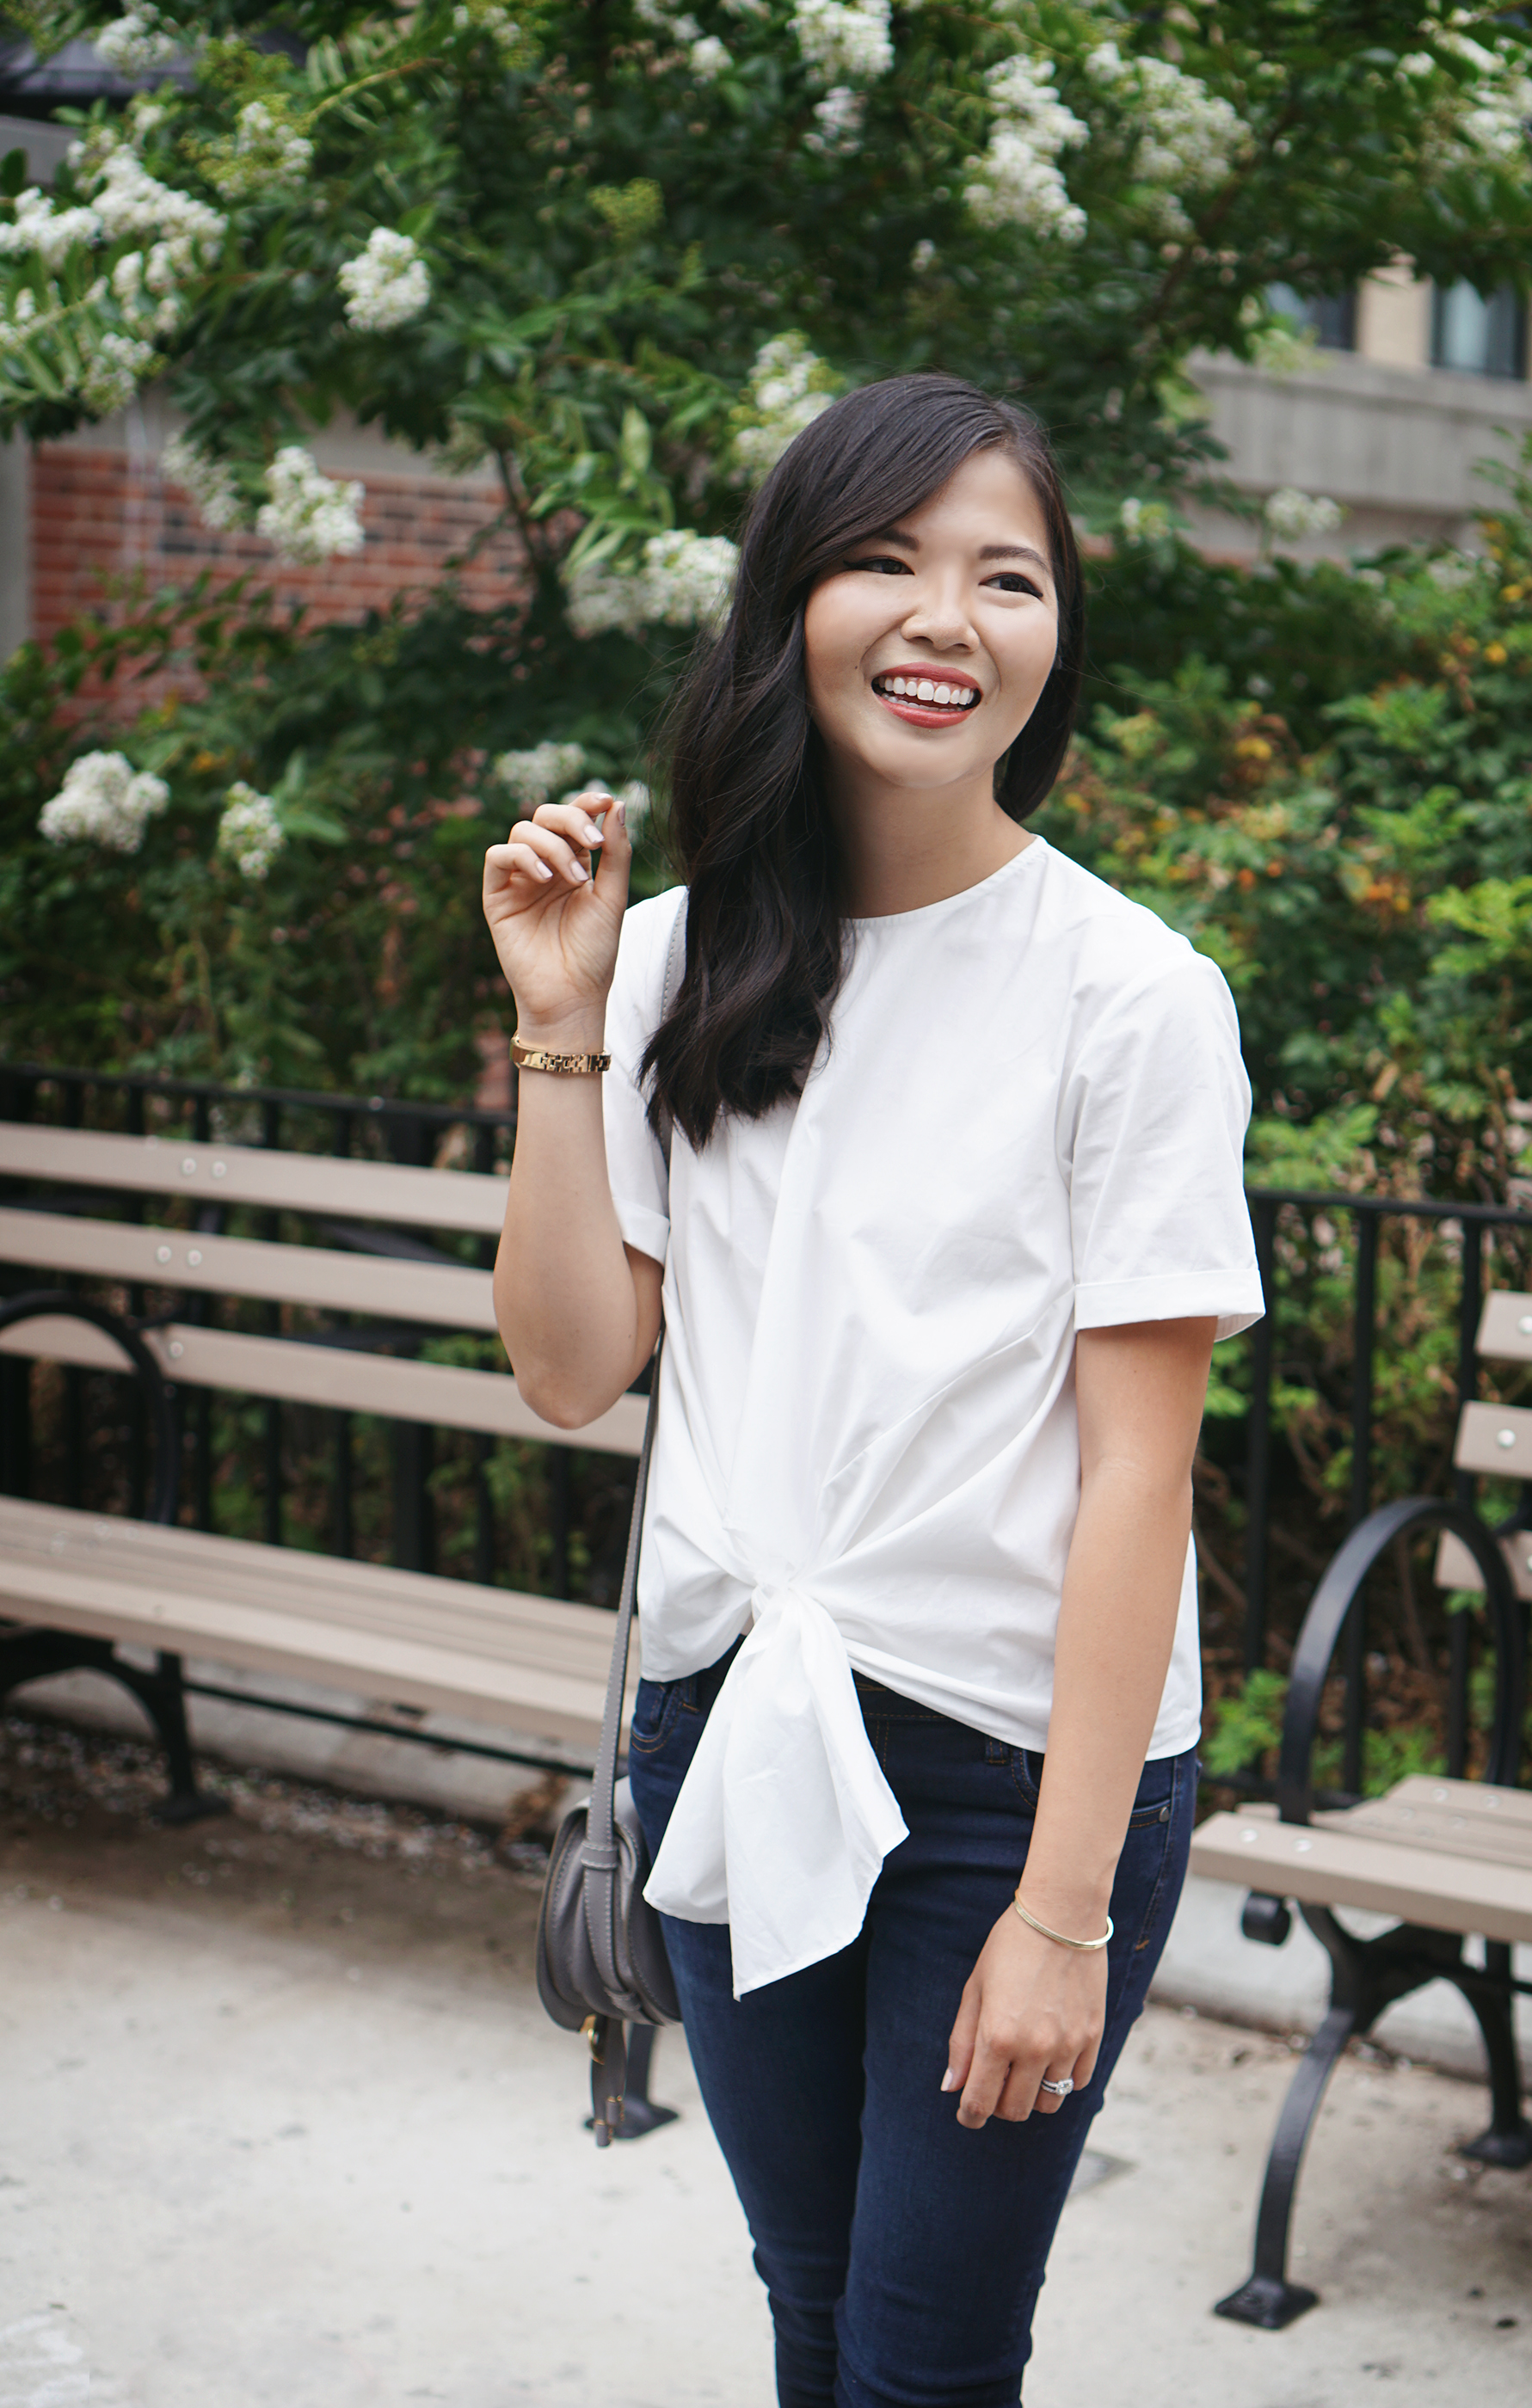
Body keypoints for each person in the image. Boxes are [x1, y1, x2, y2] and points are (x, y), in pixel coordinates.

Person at [483, 373, 1262, 2407]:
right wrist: (556, 1030)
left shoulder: (1130, 996)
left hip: (1011, 1775)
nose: (945, 618)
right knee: (807, 2301)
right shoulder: (666, 961)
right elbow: (573, 1368)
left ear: (1053, 640)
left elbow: (1137, 1484)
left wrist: (1065, 1912)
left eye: (1004, 576)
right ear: (789, 605)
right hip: (731, 1716)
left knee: (925, 2358)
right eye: (884, 562)